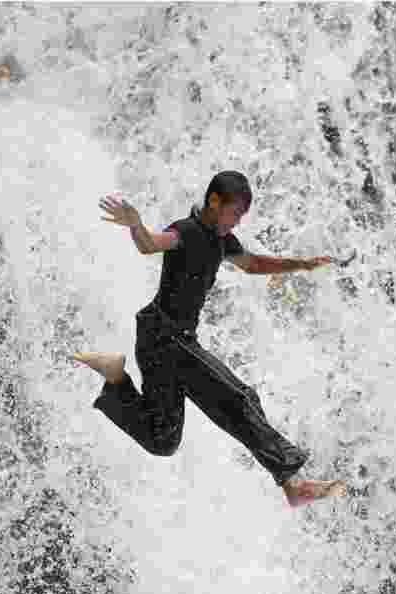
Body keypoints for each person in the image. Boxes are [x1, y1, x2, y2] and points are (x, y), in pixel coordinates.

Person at [72, 171, 347, 507]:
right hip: (169, 337)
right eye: (235, 213)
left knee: (164, 440)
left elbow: (254, 264)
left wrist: (301, 264)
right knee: (240, 399)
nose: (237, 222)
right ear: (214, 202)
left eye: (242, 217)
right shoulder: (185, 231)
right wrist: (135, 224)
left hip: (159, 341)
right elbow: (150, 244)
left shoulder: (223, 241)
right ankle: (293, 484)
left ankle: (115, 378)